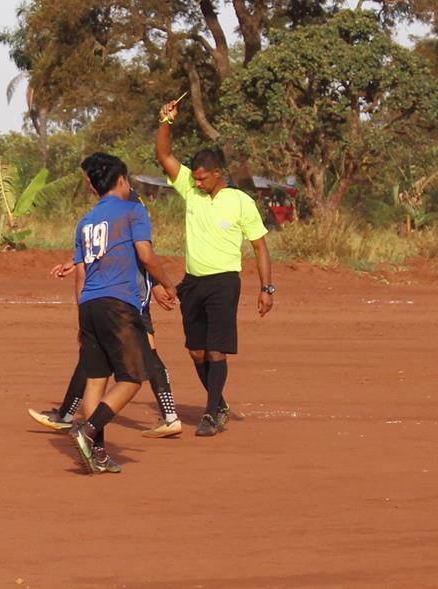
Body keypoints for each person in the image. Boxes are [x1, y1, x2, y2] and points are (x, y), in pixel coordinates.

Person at [156, 98, 274, 436]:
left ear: (218, 175)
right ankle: (218, 403)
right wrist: (167, 120)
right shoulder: (192, 190)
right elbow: (164, 156)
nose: (198, 183)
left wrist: (267, 288)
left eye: (204, 178)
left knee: (217, 349)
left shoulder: (240, 201)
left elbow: (259, 247)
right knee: (196, 351)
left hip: (224, 282)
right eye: (196, 178)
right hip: (192, 282)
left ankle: (210, 415)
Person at [28, 190, 182, 439]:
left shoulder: (129, 208)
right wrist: (74, 260)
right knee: (139, 354)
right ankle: (169, 416)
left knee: (116, 361)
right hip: (125, 296)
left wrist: (157, 285)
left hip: (125, 299)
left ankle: (73, 420)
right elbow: (115, 247)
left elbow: (142, 256)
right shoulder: (126, 210)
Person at [69, 152, 177, 474]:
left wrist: (80, 318)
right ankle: (87, 431)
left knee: (95, 381)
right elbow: (145, 254)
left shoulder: (85, 221)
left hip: (89, 305)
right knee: (134, 376)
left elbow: (81, 273)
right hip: (118, 304)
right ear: (120, 180)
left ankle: (98, 453)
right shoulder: (134, 210)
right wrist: (166, 282)